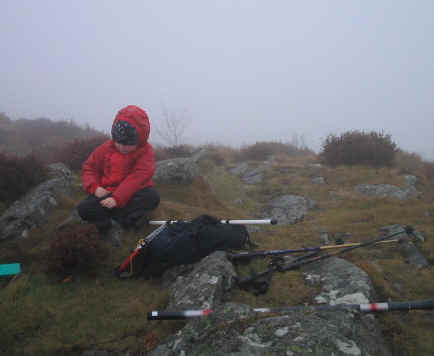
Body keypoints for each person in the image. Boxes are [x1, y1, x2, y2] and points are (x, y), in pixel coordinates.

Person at [77, 105, 160, 238]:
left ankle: (114, 219)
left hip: (133, 193)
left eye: (127, 144)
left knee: (152, 197)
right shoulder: (105, 148)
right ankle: (122, 220)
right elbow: (89, 168)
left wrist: (117, 198)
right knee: (83, 208)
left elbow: (137, 177)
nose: (122, 147)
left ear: (139, 139)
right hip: (107, 193)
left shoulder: (146, 152)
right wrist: (95, 188)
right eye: (118, 142)